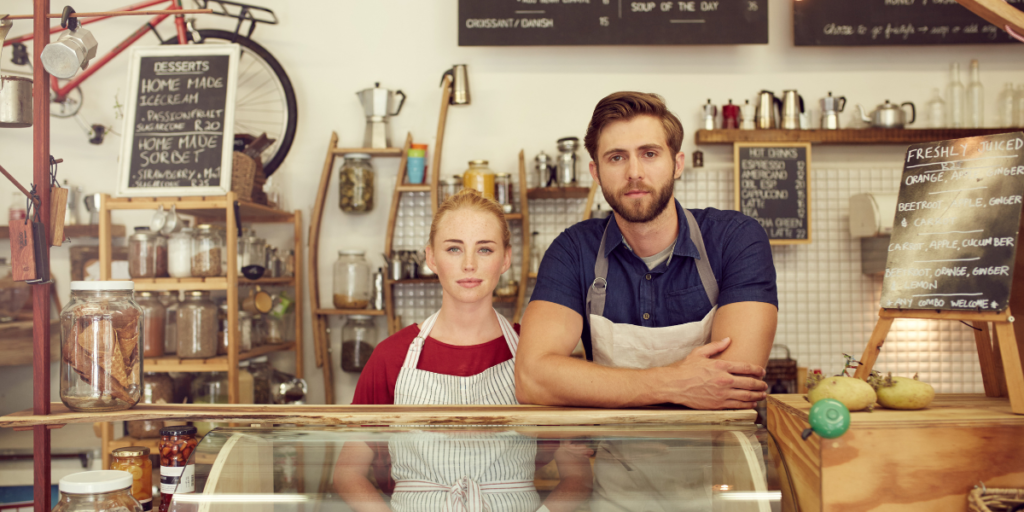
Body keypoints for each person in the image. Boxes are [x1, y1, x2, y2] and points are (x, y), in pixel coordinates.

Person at [514, 92, 778, 510]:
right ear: (595, 171)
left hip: (723, 491)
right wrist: (676, 382)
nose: (634, 172)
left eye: (649, 153)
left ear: (677, 162)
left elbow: (732, 388)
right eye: (616, 157)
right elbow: (533, 377)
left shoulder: (734, 239)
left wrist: (595, 386)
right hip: (618, 494)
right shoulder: (573, 251)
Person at [333, 189, 593, 512]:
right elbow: (347, 473)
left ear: (506, 259)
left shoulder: (535, 355)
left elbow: (578, 479)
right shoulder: (391, 357)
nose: (469, 265)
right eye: (454, 248)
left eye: (484, 249)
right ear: (431, 258)